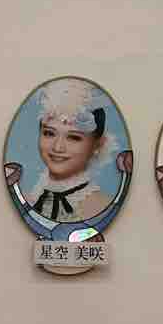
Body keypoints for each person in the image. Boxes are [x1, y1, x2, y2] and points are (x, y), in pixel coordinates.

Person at [28, 78, 117, 222]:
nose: (57, 147)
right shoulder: (25, 199)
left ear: (98, 144)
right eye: (49, 133)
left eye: (74, 137)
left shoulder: (103, 207)